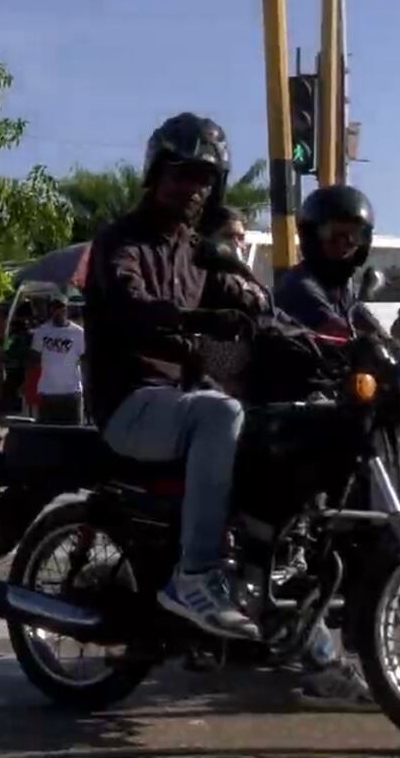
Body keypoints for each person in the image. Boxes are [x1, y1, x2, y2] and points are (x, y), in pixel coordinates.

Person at [84, 112, 269, 640]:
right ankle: (195, 574)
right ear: (157, 173)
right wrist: (199, 321)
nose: (194, 188)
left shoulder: (197, 251)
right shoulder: (121, 241)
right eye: (183, 174)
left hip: (178, 399)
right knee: (220, 414)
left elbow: (243, 300)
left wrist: (266, 307)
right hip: (129, 401)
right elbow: (131, 305)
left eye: (205, 179)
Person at [276, 185, 378, 340]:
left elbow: (364, 320)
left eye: (354, 235)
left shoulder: (343, 288)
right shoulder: (298, 286)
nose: (343, 243)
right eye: (333, 234)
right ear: (312, 235)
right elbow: (339, 331)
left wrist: (392, 340)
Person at [27, 295, 87, 425]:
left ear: (66, 309)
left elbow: (84, 359)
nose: (58, 311)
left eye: (61, 307)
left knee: (73, 431)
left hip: (71, 391)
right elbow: (34, 359)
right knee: (47, 430)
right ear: (51, 310)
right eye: (55, 308)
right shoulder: (41, 332)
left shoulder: (78, 333)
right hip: (48, 391)